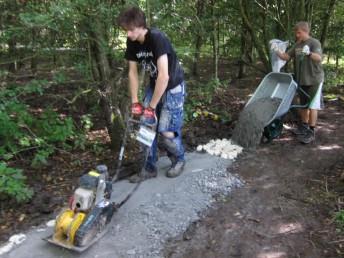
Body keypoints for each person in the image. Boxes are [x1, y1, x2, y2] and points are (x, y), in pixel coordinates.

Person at [118, 6, 186, 182]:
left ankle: (179, 160)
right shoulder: (132, 42)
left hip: (172, 87)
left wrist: (151, 106)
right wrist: (135, 101)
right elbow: (132, 73)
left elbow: (164, 76)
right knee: (146, 125)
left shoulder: (157, 38)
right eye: (126, 31)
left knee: (166, 131)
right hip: (155, 85)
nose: (128, 34)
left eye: (131, 30)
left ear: (141, 26)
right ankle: (149, 167)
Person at [273, 21, 324, 144]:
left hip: (314, 79)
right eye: (296, 32)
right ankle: (304, 127)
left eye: (298, 32)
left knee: (313, 106)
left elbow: (319, 58)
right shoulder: (297, 45)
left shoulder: (314, 42)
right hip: (302, 80)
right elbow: (286, 57)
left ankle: (311, 132)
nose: (297, 35)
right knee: (304, 105)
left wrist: (309, 53)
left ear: (305, 31)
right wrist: (276, 50)